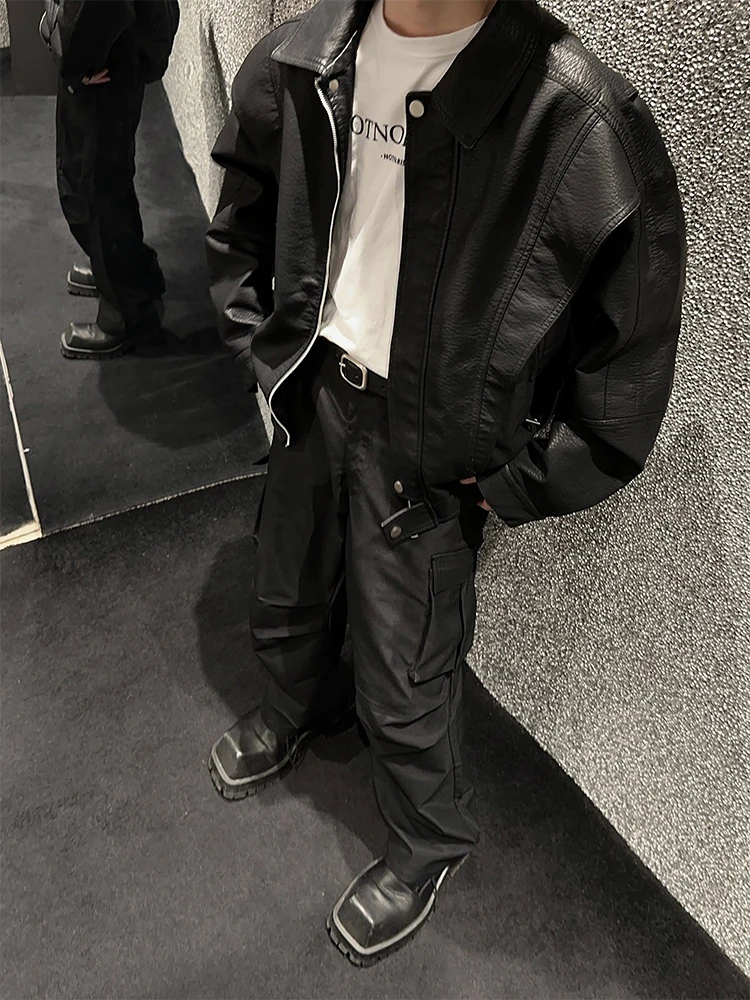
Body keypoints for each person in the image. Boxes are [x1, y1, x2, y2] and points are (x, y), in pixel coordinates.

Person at [205, 0, 686, 966]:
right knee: (286, 576)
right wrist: (263, 348)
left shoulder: (576, 119)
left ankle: (428, 841)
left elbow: (627, 360)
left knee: (407, 659)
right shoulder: (304, 53)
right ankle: (299, 703)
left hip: (427, 442)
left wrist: (514, 481)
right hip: (315, 384)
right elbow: (246, 210)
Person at [41, 0, 179, 359]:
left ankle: (126, 316)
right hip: (118, 55)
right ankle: (124, 272)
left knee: (93, 189)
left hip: (105, 66)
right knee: (107, 179)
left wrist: (75, 62)